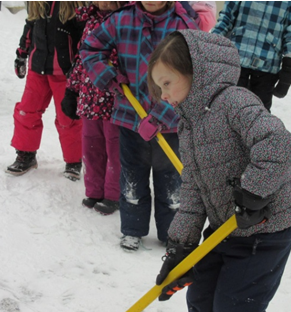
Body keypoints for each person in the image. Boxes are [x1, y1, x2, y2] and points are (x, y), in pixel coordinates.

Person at [147, 30, 291, 310]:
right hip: (226, 228)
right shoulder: (189, 125)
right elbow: (194, 187)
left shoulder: (234, 101)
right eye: (160, 88)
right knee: (200, 300)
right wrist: (180, 247)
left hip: (265, 229)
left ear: (195, 69)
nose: (165, 94)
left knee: (233, 305)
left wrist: (254, 191)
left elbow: (278, 142)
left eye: (167, 83)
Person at [79, 1, 198, 251]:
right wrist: (108, 76)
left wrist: (161, 116)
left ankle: (171, 234)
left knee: (171, 180)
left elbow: (193, 75)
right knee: (132, 175)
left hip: (171, 121)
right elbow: (90, 48)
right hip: (131, 116)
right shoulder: (121, 20)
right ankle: (132, 229)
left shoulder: (183, 25)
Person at [6, 2, 85, 180]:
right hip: (37, 68)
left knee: (68, 117)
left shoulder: (74, 5)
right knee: (27, 111)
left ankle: (74, 160)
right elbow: (30, 26)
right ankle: (26, 154)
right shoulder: (37, 3)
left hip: (64, 71)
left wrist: (79, 65)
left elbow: (83, 38)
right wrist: (21, 53)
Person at [61, 2, 127, 215]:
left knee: (114, 149)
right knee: (91, 147)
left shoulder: (125, 21)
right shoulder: (90, 20)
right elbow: (81, 58)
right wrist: (72, 89)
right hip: (89, 98)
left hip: (115, 99)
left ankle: (113, 194)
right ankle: (94, 190)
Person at [211, 1, 291, 112]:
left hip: (267, 69)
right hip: (236, 63)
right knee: (227, 112)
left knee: (258, 118)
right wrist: (209, 47)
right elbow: (225, 19)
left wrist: (289, 67)